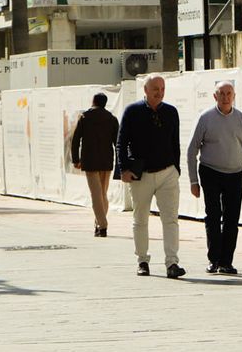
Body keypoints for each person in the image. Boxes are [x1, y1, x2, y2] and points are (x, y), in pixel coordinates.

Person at [187, 81, 242, 275]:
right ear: (215, 96)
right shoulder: (205, 118)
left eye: (229, 93)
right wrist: (193, 181)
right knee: (213, 216)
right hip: (210, 172)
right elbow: (192, 149)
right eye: (221, 94)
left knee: (231, 219)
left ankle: (226, 262)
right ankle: (214, 260)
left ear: (234, 96)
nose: (226, 97)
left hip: (235, 174)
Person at [116, 75, 185, 279]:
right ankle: (143, 261)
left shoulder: (171, 112)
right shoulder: (133, 111)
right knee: (140, 219)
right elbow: (121, 142)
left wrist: (176, 168)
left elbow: (176, 143)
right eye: (155, 88)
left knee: (171, 219)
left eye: (162, 88)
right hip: (141, 175)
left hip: (167, 174)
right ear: (145, 90)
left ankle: (172, 263)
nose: (159, 92)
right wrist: (123, 169)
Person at [71, 93, 119, 236]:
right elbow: (117, 143)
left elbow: (75, 139)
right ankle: (99, 223)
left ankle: (102, 226)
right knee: (103, 194)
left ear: (93, 101)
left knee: (96, 195)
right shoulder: (111, 119)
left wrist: (76, 159)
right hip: (106, 161)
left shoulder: (85, 118)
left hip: (90, 161)